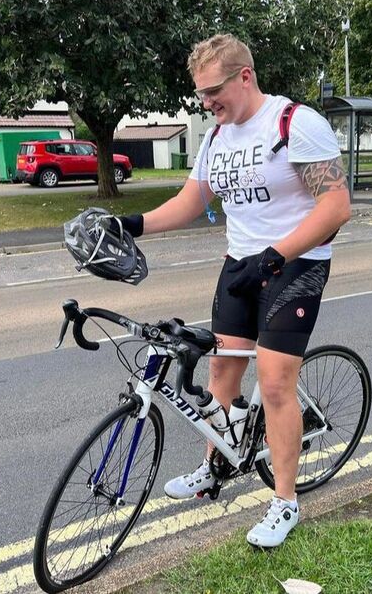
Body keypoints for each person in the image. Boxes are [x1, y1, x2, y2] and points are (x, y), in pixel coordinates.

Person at [120, 33, 350, 548]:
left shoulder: (295, 123)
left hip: (296, 266)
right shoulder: (215, 137)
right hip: (239, 265)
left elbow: (335, 207)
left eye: (213, 90)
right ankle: (215, 466)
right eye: (200, 94)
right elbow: (189, 200)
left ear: (244, 76)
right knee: (222, 370)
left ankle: (285, 501)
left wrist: (275, 256)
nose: (206, 103)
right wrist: (132, 224)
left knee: (273, 384)